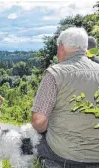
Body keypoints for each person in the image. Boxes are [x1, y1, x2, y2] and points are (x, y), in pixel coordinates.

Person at [31, 28, 99, 168]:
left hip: (63, 154)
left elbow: (39, 122)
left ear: (61, 47)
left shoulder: (55, 73)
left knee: (32, 142)